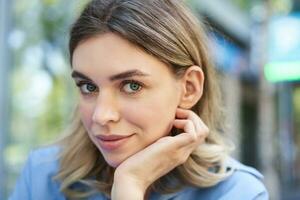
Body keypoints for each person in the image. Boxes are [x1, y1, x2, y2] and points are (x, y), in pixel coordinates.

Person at [9, 0, 269, 199]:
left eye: (131, 86)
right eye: (88, 86)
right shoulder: (43, 175)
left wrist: (130, 184)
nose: (101, 115)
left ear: (188, 88)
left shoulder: (237, 192)